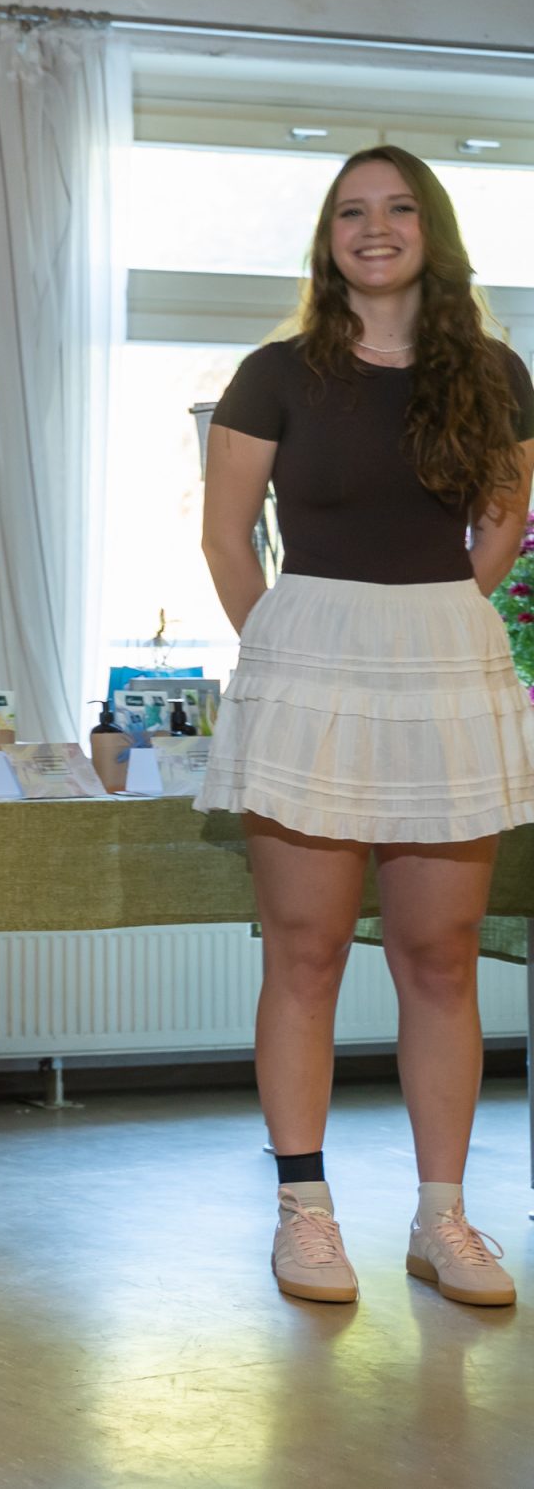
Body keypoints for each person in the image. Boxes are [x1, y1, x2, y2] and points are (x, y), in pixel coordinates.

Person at [200, 144, 534, 1310]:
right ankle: (303, 1210)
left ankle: (442, 1219)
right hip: (306, 662)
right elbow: (226, 538)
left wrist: (425, 623)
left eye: (396, 208)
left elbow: (501, 526)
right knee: (306, 949)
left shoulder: (493, 372)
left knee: (440, 953)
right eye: (350, 210)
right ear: (326, 236)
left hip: (443, 662)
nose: (373, 226)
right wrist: (288, 650)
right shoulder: (274, 374)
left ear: (430, 230)